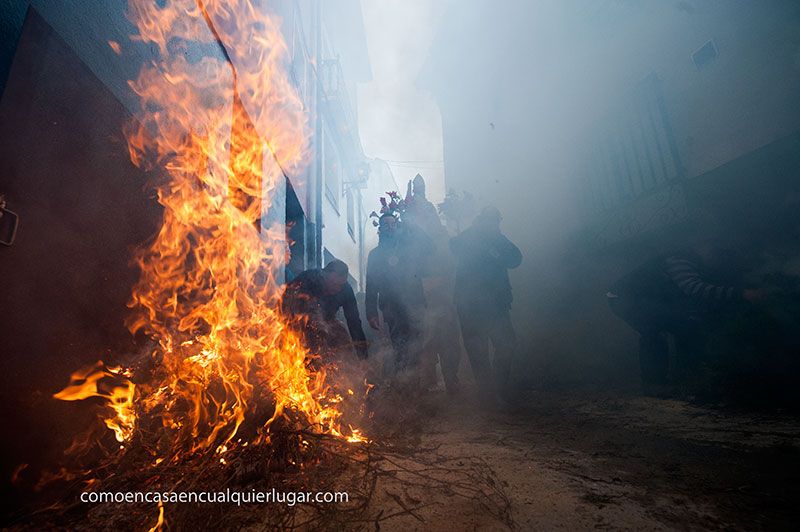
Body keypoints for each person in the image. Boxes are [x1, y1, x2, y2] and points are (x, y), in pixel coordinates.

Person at [607, 238, 764, 394]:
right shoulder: (680, 261)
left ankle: (684, 376)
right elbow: (694, 289)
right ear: (700, 248)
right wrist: (741, 293)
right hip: (623, 298)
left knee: (684, 326)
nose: (715, 257)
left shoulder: (692, 263)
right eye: (713, 252)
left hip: (635, 299)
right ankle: (654, 384)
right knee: (654, 331)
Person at [450, 206, 522, 401]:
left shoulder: (498, 239)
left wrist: (494, 251)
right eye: (490, 221)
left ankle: (499, 387)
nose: (494, 225)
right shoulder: (469, 237)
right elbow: (453, 246)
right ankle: (487, 392)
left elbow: (516, 259)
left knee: (507, 344)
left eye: (496, 221)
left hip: (496, 304)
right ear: (481, 221)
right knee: (477, 349)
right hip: (470, 304)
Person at [403, 174, 462, 393]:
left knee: (449, 342)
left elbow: (451, 265)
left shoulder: (441, 241)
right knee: (425, 342)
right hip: (420, 300)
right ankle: (427, 384)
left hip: (443, 299)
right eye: (416, 188)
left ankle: (451, 380)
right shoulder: (408, 241)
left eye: (421, 187)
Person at [365, 213, 434, 379]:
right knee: (400, 345)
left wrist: (414, 226)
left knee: (417, 344)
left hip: (415, 304)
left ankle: (415, 384)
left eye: (393, 224)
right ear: (380, 229)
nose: (390, 227)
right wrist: (371, 313)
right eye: (386, 224)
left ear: (398, 226)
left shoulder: (409, 248)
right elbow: (371, 284)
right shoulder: (375, 255)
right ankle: (402, 385)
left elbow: (431, 247)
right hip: (391, 307)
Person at [282, 259, 368, 361]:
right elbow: (287, 298)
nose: (337, 288)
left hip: (327, 320)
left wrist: (362, 352)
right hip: (299, 320)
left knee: (342, 336)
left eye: (340, 285)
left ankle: (344, 370)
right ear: (324, 275)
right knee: (317, 330)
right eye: (333, 283)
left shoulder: (346, 290)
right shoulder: (308, 278)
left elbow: (354, 321)